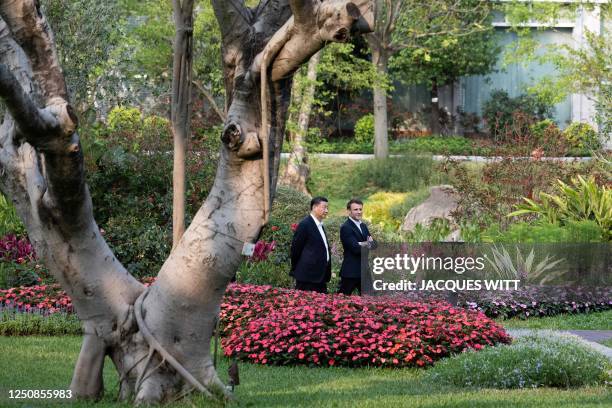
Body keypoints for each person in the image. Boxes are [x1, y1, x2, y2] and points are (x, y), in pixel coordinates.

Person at [290, 196, 331, 293]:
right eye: (324, 207)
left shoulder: (320, 225)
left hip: (320, 276)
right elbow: (295, 249)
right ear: (314, 207)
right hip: (307, 276)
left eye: (327, 208)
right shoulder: (305, 224)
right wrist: (297, 268)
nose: (326, 210)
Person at [339, 199, 376, 295]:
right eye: (356, 209)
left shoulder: (363, 226)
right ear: (349, 211)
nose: (359, 212)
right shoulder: (346, 227)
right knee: (342, 301)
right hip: (351, 271)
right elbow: (355, 249)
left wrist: (361, 243)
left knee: (369, 300)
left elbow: (374, 244)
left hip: (364, 271)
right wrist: (367, 243)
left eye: (360, 209)